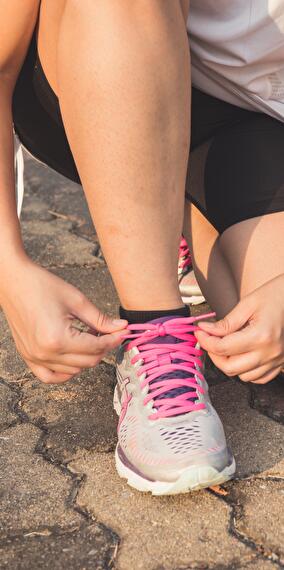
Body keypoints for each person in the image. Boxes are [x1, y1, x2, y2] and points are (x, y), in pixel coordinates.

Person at [1, 0, 283, 494]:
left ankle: (162, 209)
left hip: (258, 122)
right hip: (102, 63)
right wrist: (9, 271)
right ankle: (156, 325)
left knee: (265, 327)